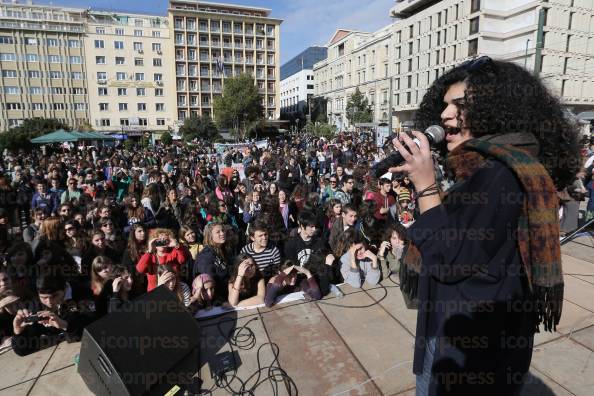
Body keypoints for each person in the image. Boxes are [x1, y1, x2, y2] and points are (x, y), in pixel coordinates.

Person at [394, 57, 580, 395]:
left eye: (458, 106)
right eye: (445, 105)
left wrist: (425, 185)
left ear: (495, 110)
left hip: (470, 353)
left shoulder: (499, 175)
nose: (445, 114)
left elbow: (450, 258)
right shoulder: (497, 167)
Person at [11, 273, 95, 356]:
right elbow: (23, 350)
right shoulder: (37, 306)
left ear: (65, 288)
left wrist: (64, 325)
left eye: (54, 296)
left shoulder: (83, 293)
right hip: (60, 356)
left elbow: (94, 328)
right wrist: (18, 332)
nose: (49, 302)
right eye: (44, 298)